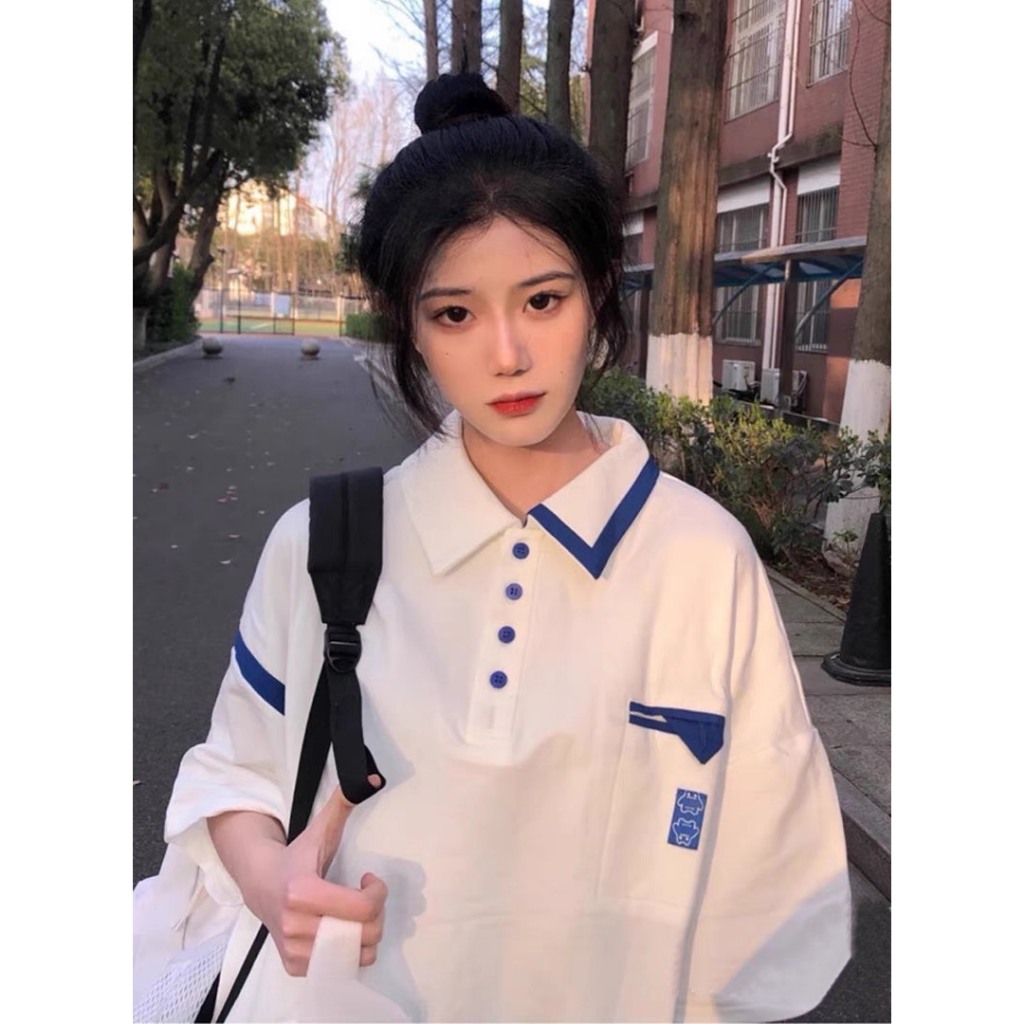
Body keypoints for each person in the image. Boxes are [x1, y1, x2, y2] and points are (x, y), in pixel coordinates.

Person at [134, 72, 852, 1023]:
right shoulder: (322, 544)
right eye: (455, 314)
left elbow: (777, 885)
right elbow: (234, 771)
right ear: (409, 325)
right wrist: (273, 882)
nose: (506, 354)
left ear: (599, 292)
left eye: (543, 301)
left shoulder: (702, 561)